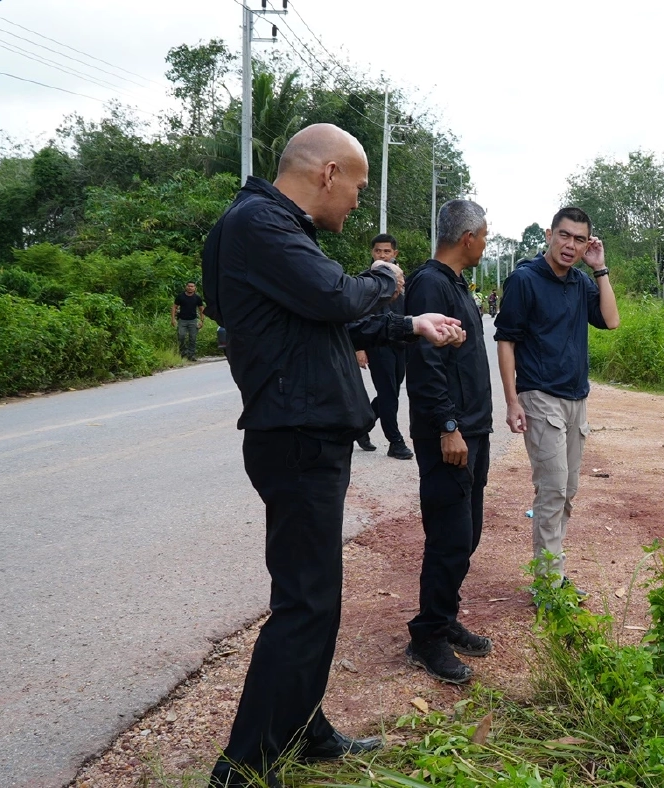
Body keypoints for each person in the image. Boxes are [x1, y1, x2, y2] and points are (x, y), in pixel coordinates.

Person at [200, 123, 464, 788]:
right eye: (357, 187)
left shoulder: (271, 229)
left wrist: (411, 325)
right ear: (327, 174)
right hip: (296, 436)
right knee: (306, 603)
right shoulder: (261, 223)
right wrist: (383, 278)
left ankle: (305, 728)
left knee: (316, 597)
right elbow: (336, 297)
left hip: (305, 432)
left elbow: (334, 321)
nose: (356, 203)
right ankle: (243, 768)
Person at [494, 207, 620, 591]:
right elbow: (505, 340)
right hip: (539, 396)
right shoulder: (525, 280)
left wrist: (600, 269)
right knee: (552, 489)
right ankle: (549, 584)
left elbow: (611, 321)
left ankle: (554, 575)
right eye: (565, 236)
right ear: (549, 235)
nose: (571, 245)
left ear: (587, 245)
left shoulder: (581, 282)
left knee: (567, 491)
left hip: (576, 400)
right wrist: (512, 401)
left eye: (580, 240)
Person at [402, 199, 496, 684]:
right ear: (467, 238)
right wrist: (447, 427)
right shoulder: (430, 284)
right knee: (449, 536)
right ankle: (427, 637)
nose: (486, 242)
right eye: (484, 234)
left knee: (467, 534)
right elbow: (424, 365)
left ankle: (443, 616)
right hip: (450, 435)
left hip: (473, 430)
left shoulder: (455, 284)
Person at [352, 234, 414, 459]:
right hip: (378, 345)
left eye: (387, 251)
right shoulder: (368, 281)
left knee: (392, 392)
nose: (382, 255)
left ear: (394, 254)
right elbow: (358, 317)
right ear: (372, 253)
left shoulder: (399, 279)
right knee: (388, 393)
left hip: (400, 344)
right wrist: (360, 348)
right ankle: (395, 442)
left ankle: (361, 428)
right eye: (378, 251)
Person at [172, 281, 204, 361]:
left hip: (193, 320)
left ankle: (191, 355)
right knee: (181, 336)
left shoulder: (197, 298)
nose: (190, 288)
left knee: (192, 338)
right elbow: (174, 307)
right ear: (186, 287)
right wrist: (173, 319)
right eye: (189, 286)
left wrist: (201, 321)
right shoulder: (180, 296)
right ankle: (183, 353)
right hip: (182, 320)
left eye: (192, 286)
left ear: (195, 288)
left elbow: (201, 309)